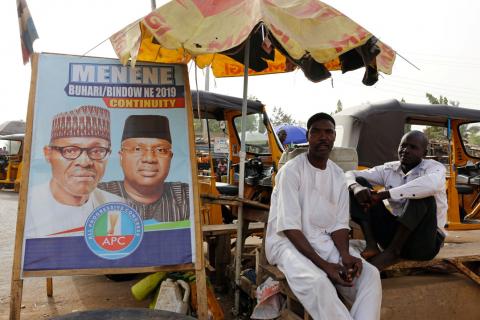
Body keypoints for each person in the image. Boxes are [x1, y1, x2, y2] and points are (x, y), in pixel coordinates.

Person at [265, 113, 381, 320]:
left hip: (324, 240)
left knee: (370, 275)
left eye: (328, 132)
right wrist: (325, 266)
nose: (323, 137)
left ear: (334, 137)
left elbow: (339, 224)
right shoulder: (291, 172)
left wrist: (345, 255)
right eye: (316, 132)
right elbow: (290, 227)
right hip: (287, 243)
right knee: (319, 282)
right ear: (308, 137)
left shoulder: (337, 174)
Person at [346, 130, 447, 271]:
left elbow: (429, 186)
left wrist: (384, 195)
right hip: (396, 236)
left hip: (424, 243)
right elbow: (348, 174)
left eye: (413, 147)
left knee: (420, 195)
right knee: (359, 182)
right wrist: (355, 187)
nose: (406, 150)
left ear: (424, 154)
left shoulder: (434, 168)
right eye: (403, 146)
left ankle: (391, 253)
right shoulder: (389, 169)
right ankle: (372, 245)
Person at [25, 105, 123, 238]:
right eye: (70, 150)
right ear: (48, 154)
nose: (85, 162)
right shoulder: (29, 206)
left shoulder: (116, 205)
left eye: (97, 151)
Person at [99, 115, 190, 222]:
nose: (149, 158)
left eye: (160, 150)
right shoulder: (98, 195)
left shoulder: (184, 196)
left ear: (170, 157)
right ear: (121, 156)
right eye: (137, 149)